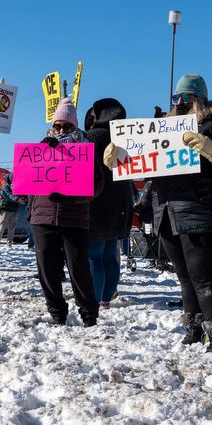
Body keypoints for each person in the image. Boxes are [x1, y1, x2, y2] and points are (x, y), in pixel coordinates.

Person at [109, 75, 212, 350]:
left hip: (202, 210)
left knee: (203, 276)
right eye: (175, 98)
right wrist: (119, 158)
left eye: (186, 98)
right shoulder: (162, 130)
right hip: (167, 211)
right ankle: (193, 328)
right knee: (185, 277)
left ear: (200, 100)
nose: (179, 103)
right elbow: (147, 167)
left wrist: (210, 149)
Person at [32, 98, 103, 326]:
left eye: (67, 126)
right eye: (58, 126)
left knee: (79, 268)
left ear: (75, 126)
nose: (61, 130)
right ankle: (56, 311)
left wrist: (74, 197)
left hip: (74, 217)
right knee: (47, 267)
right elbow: (28, 180)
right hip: (43, 216)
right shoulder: (43, 146)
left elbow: (98, 182)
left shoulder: (85, 149)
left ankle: (89, 313)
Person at [85, 98, 134, 309]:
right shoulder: (129, 139)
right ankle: (106, 297)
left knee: (94, 255)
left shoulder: (90, 137)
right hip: (120, 204)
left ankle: (94, 300)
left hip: (96, 203)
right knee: (109, 255)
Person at [0, 173, 22, 247]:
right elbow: (9, 195)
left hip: (14, 209)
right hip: (5, 209)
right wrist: (17, 199)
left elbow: (19, 194)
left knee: (12, 228)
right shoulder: (5, 186)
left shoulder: (16, 187)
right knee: (2, 227)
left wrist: (22, 198)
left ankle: (9, 244)